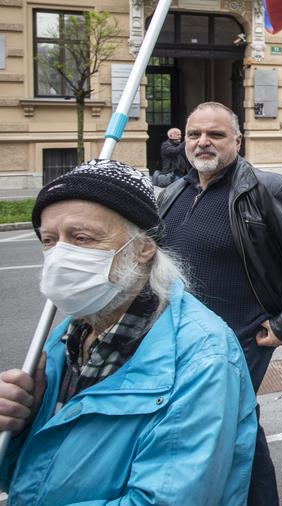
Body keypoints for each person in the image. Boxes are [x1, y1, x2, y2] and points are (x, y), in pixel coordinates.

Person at [0, 159, 256, 504]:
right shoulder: (64, 338)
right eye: (50, 240)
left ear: (143, 247)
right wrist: (20, 428)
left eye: (82, 238)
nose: (61, 255)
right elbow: (26, 477)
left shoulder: (200, 358)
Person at [158, 102, 282, 506]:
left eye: (215, 134)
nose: (203, 142)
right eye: (196, 133)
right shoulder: (174, 193)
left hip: (240, 337)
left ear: (237, 140)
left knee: (227, 422)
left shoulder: (265, 189)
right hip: (180, 337)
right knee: (232, 423)